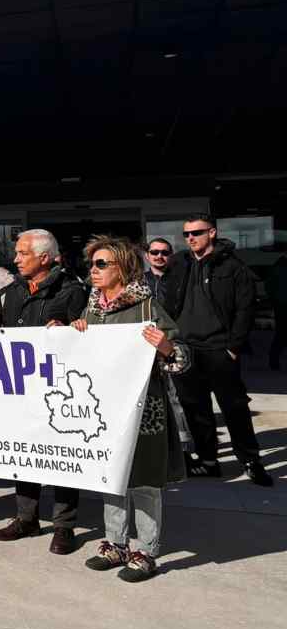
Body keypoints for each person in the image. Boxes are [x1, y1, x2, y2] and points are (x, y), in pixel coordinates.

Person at [62, 236, 189, 583]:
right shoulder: (91, 308)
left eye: (102, 264)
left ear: (123, 268)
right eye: (92, 264)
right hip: (105, 410)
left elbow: (182, 356)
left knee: (145, 481)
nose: (94, 270)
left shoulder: (146, 307)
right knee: (111, 476)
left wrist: (166, 347)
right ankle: (116, 544)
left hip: (145, 409)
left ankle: (146, 551)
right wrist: (74, 332)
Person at [0, 230, 88, 555]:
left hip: (56, 389)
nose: (15, 259)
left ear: (44, 258)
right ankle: (26, 518)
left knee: (60, 457)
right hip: (21, 388)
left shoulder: (71, 290)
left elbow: (83, 337)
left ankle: (64, 526)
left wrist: (68, 331)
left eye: (22, 253)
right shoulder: (14, 290)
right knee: (24, 452)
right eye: (16, 253)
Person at [163, 215, 272, 485]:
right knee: (195, 409)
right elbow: (167, 300)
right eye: (186, 234)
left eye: (196, 233)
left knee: (234, 407)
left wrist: (233, 347)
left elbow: (245, 308)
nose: (190, 238)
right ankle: (208, 461)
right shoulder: (180, 263)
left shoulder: (233, 266)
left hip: (219, 348)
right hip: (185, 349)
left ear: (211, 233)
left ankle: (250, 460)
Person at [142, 237, 173, 307]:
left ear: (171, 255)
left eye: (165, 253)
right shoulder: (139, 280)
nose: (159, 256)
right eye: (154, 252)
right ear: (147, 256)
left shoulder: (180, 280)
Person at [269, 254, 287, 370]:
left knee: (281, 333)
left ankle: (274, 359)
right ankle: (274, 359)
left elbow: (269, 286)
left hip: (280, 304)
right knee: (282, 333)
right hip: (282, 305)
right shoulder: (279, 267)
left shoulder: (277, 266)